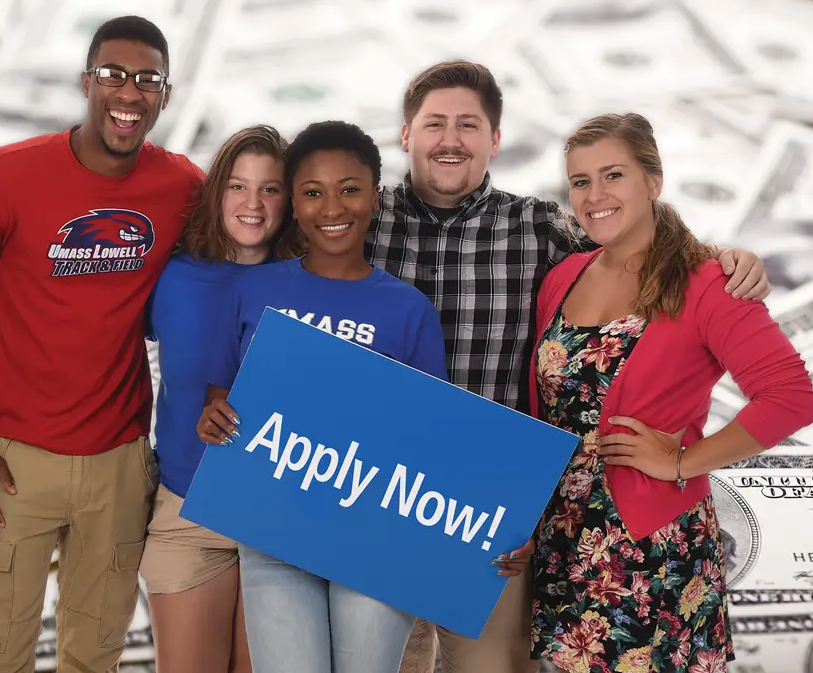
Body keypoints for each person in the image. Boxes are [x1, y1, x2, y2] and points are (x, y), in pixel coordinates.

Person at [364, 60, 773, 673]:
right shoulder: (357, 221)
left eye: (469, 125)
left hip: (492, 513)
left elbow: (634, 245)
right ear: (405, 134)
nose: (451, 139)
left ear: (495, 140)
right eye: (434, 124)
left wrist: (720, 256)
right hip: (371, 495)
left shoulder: (539, 230)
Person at [0, 15, 204, 673]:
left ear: (165, 94)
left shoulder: (182, 187)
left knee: (95, 653)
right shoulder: (5, 176)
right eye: (112, 75)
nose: (128, 93)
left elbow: (232, 274)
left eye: (147, 80)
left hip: (122, 463)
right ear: (85, 82)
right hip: (17, 462)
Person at [509, 112, 813, 672]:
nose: (594, 195)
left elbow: (790, 396)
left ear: (653, 181)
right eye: (580, 182)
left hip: (650, 552)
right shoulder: (564, 275)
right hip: (565, 541)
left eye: (613, 176)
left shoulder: (707, 281)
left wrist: (682, 460)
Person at [198, 120, 449, 673]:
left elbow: (433, 442)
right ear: (294, 202)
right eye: (313, 192)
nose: (332, 207)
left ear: (375, 197)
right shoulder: (251, 291)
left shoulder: (410, 311)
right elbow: (220, 402)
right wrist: (213, 419)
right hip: (275, 531)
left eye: (350, 189)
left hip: (375, 537)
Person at [141, 124, 301, 673]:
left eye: (270, 188)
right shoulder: (173, 277)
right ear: (217, 193)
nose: (252, 203)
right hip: (187, 508)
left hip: (277, 517)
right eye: (238, 186)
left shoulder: (313, 285)